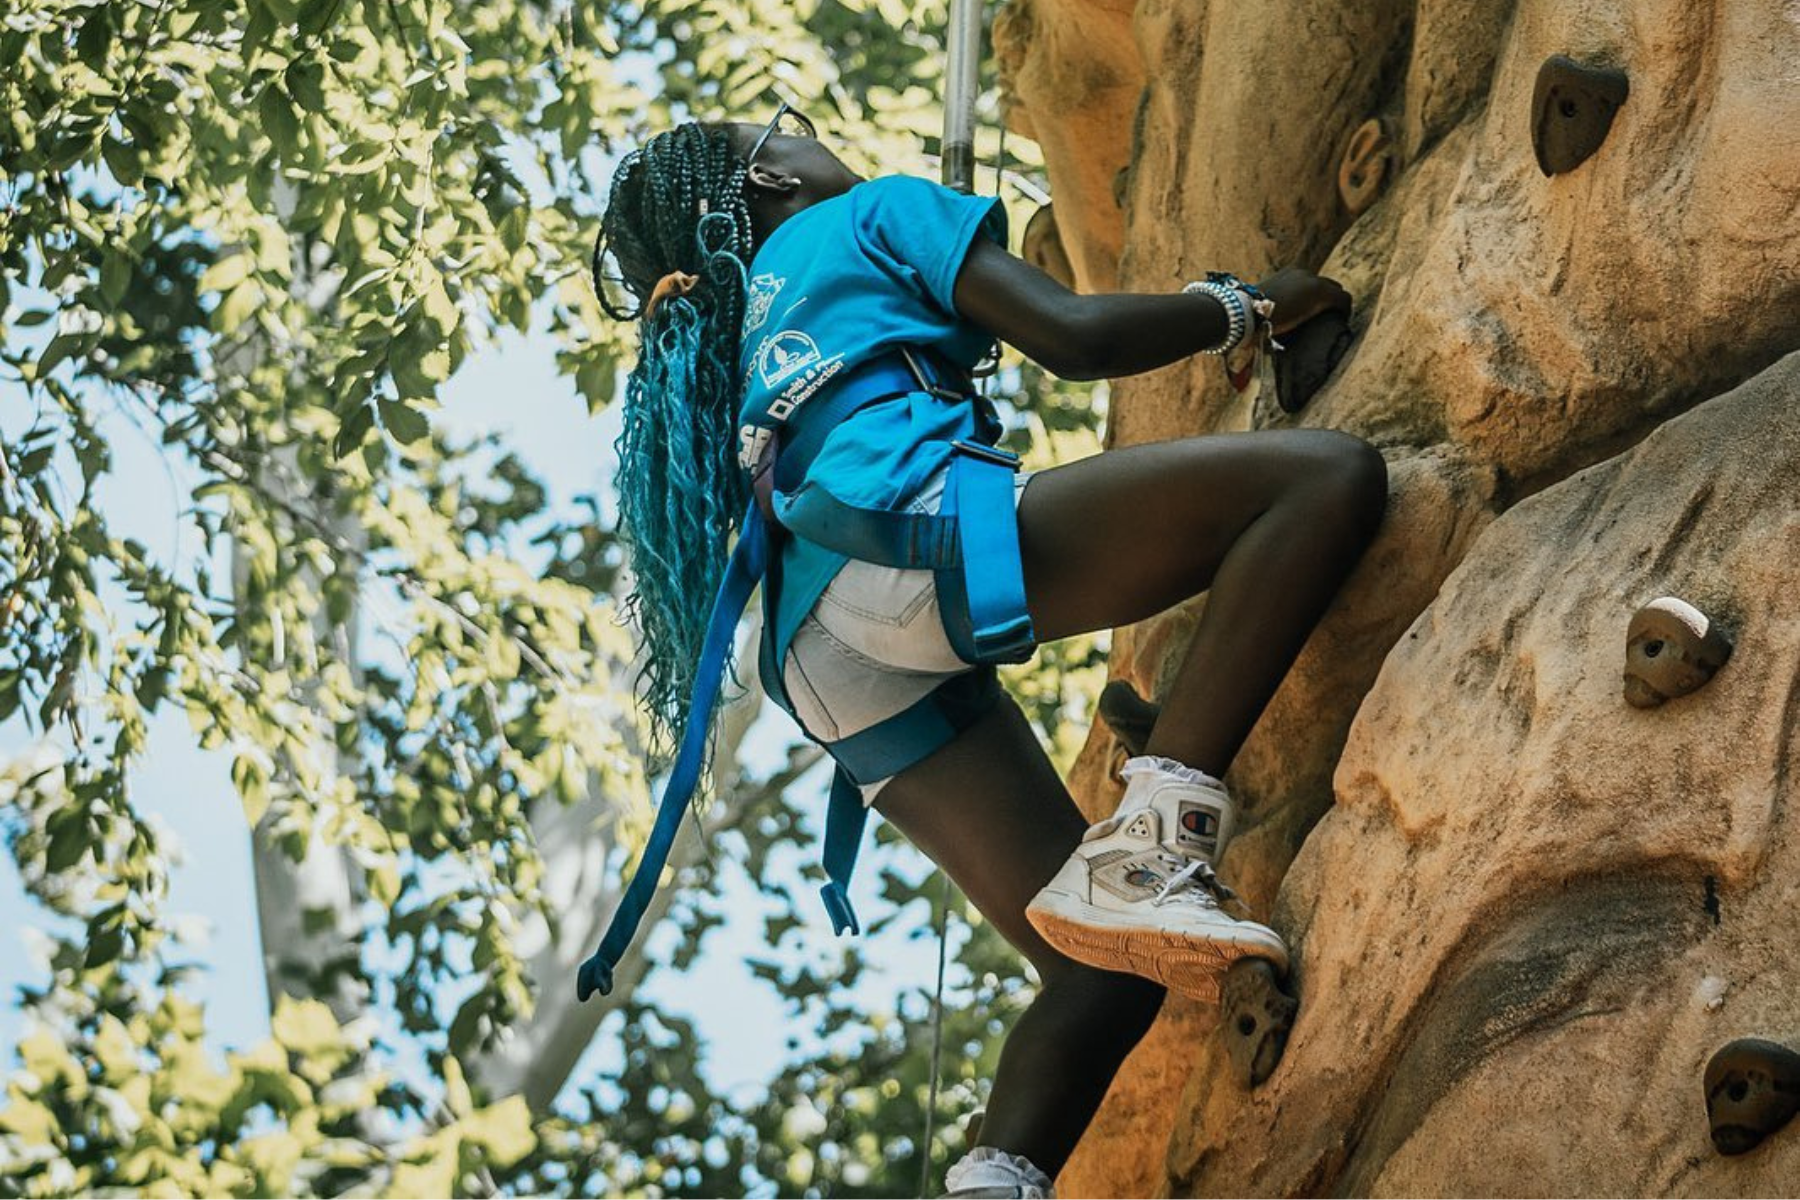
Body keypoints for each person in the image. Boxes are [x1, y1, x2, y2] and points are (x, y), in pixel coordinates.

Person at [590, 108, 1387, 1199]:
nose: (820, 141)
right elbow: (1078, 337)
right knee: (1325, 480)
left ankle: (996, 1183)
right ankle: (1160, 832)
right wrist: (1247, 303)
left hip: (818, 653)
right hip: (909, 535)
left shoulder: (722, 350)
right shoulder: (874, 212)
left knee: (1100, 969)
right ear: (774, 169)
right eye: (796, 127)